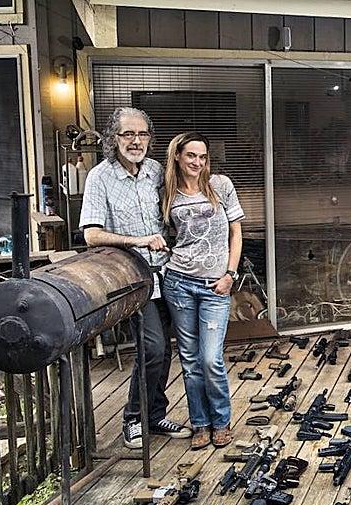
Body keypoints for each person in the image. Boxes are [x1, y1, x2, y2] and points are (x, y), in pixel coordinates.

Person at [79, 108, 191, 449]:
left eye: (141, 134)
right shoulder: (100, 177)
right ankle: (133, 418)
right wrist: (137, 241)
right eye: (128, 134)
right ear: (113, 139)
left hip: (167, 274)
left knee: (164, 349)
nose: (136, 141)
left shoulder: (157, 171)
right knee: (153, 348)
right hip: (132, 278)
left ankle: (155, 415)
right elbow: (92, 235)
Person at [160, 132, 243, 450]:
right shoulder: (167, 193)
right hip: (179, 282)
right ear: (178, 156)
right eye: (191, 155)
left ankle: (221, 421)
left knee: (211, 359)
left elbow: (236, 232)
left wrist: (230, 275)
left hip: (215, 286)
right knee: (191, 359)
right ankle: (200, 424)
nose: (197, 162)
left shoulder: (220, 186)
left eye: (203, 156)